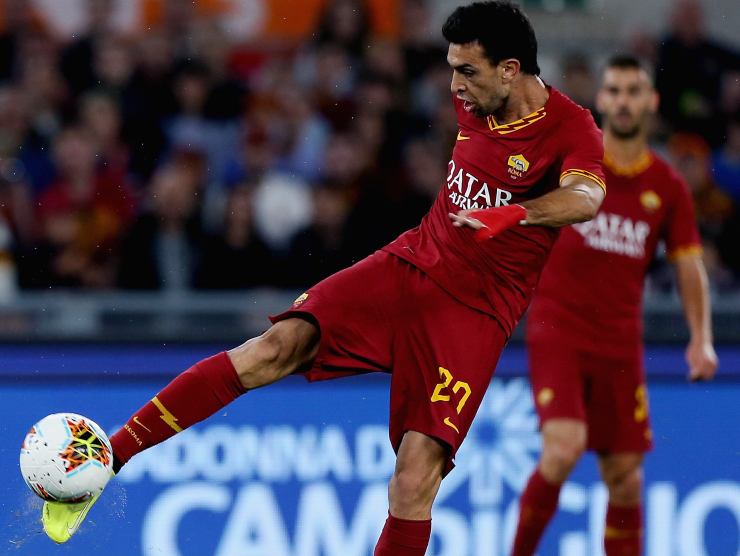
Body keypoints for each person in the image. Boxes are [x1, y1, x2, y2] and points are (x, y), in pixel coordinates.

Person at [41, 3, 607, 553]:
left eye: (467, 71)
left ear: (511, 69)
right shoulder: (477, 102)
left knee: (413, 483)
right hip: (409, 264)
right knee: (273, 347)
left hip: (473, 315)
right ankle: (106, 461)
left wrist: (515, 213)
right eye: (451, 68)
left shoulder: (570, 129)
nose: (455, 86)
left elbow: (588, 196)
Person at [511, 55, 718, 556]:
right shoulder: (572, 161)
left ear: (651, 102)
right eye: (615, 91)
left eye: (633, 91)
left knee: (625, 478)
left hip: (620, 345)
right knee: (562, 450)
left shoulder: (667, 186)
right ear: (601, 99)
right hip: (558, 330)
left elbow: (689, 266)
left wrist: (701, 338)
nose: (623, 101)